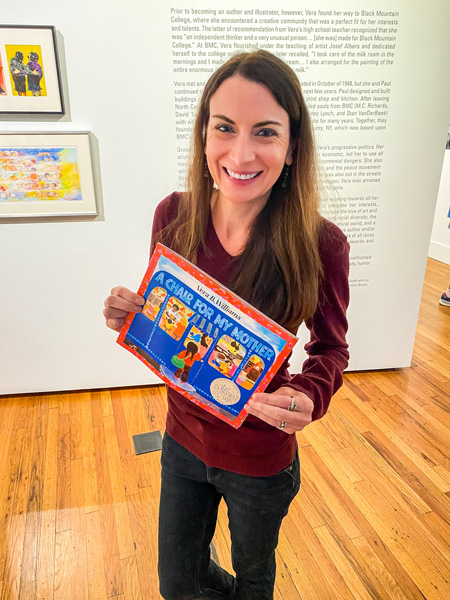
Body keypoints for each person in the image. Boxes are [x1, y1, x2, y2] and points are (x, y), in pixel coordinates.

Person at [103, 49, 350, 599]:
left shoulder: (321, 242)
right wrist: (132, 315)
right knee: (179, 584)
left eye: (265, 131)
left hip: (260, 458)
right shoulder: (173, 214)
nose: (241, 153)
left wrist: (310, 393)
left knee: (254, 581)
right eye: (225, 128)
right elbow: (167, 320)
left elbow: (332, 347)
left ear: (291, 149)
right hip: (183, 439)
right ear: (204, 135)